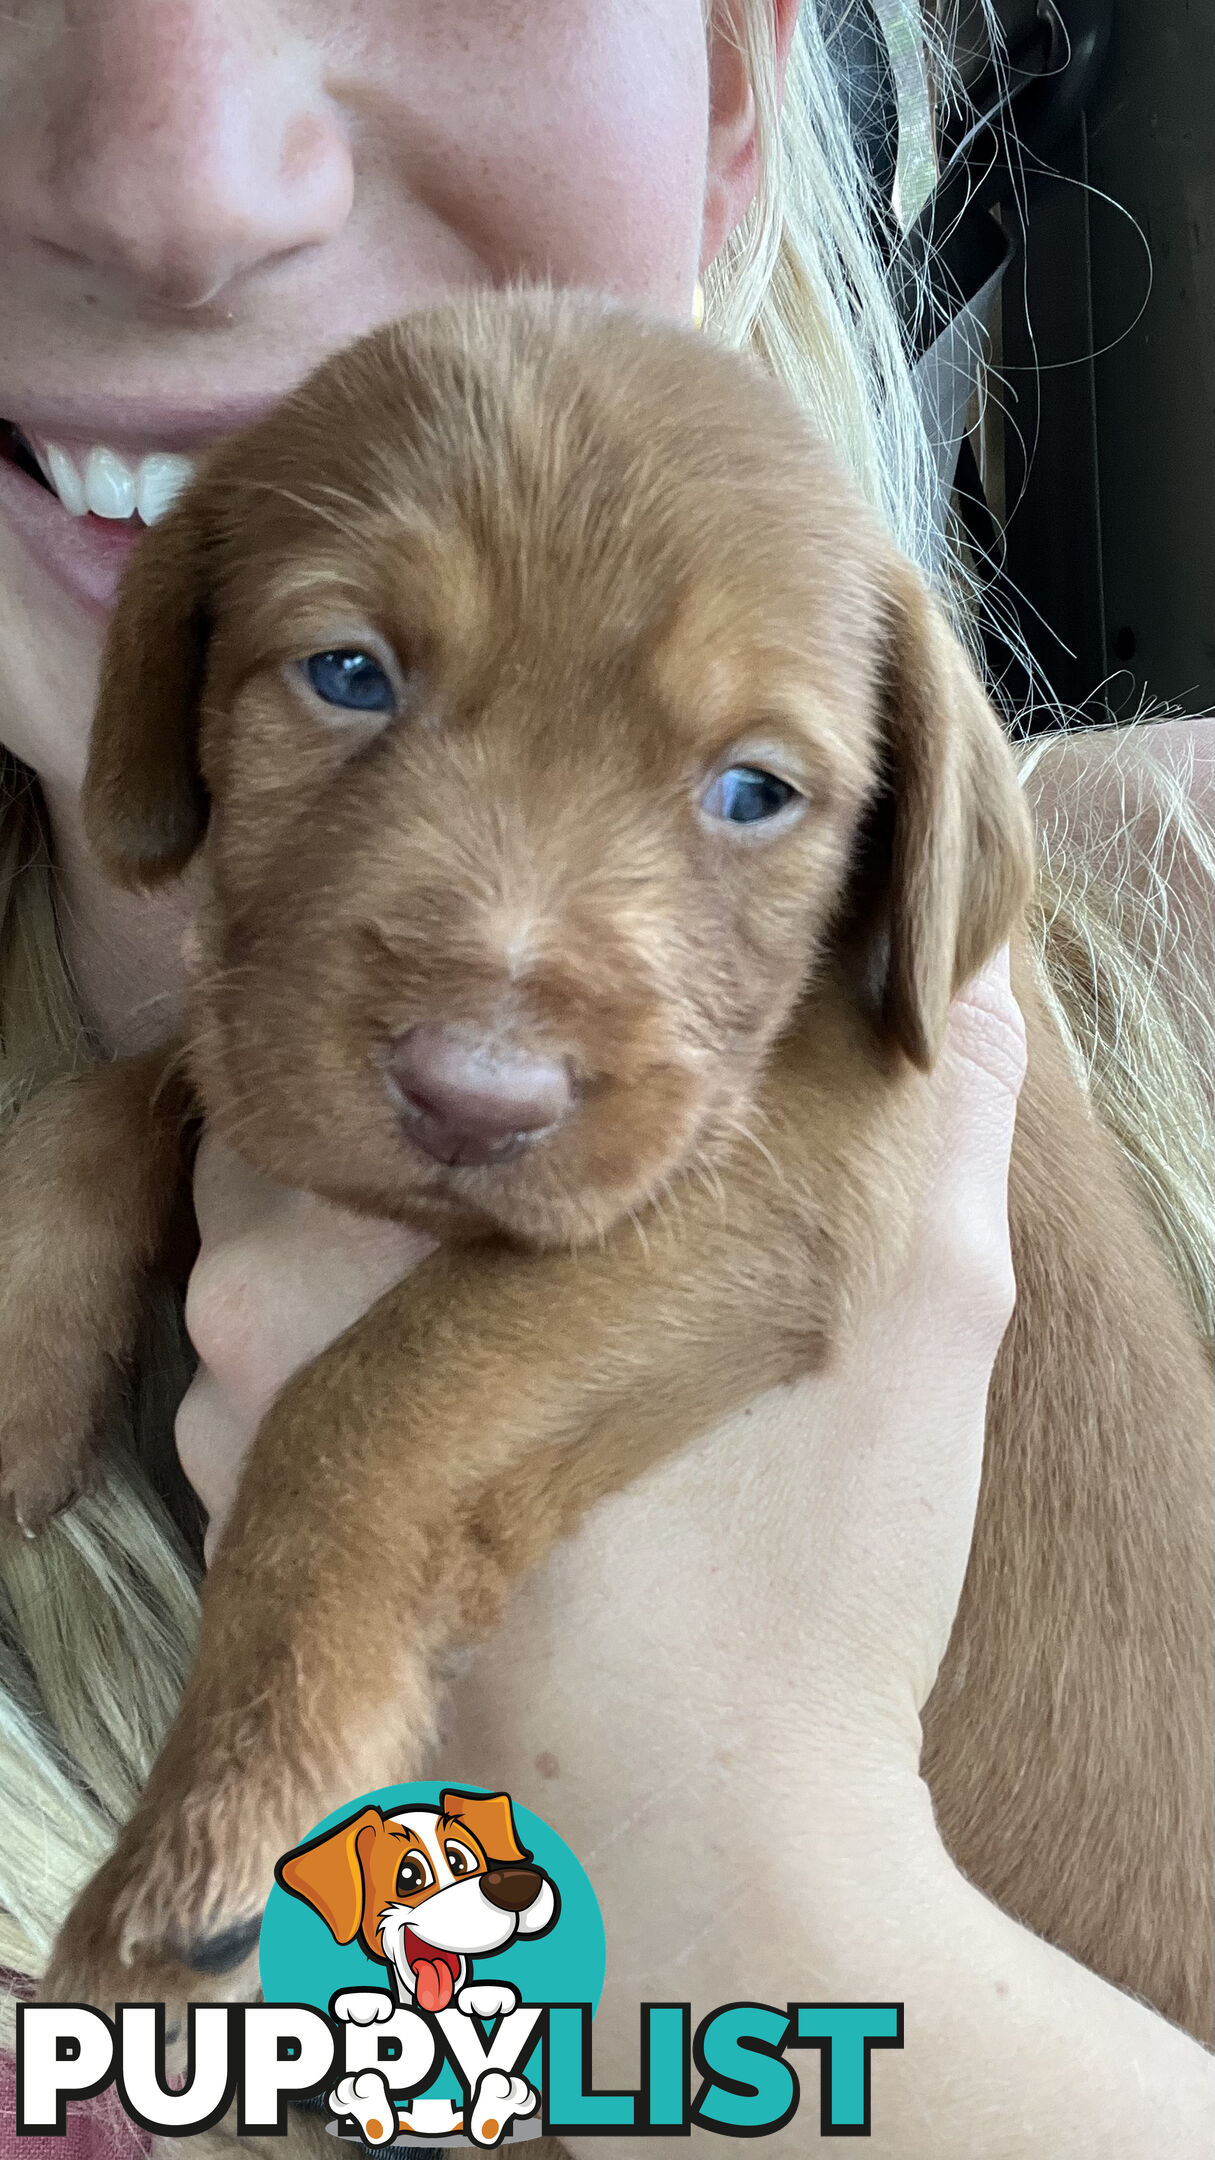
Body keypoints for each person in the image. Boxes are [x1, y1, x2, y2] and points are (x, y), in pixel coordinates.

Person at [0, 3, 1210, 2154]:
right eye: (345, 674)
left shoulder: (1163, 924)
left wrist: (782, 1910)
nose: (176, 180)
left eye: (751, 789)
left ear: (737, 93)